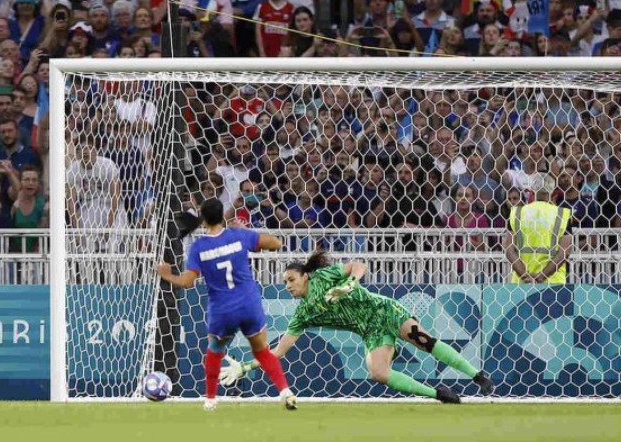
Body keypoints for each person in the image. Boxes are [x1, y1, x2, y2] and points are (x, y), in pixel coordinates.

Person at [219, 251, 495, 403]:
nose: (288, 286)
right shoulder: (303, 314)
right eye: (285, 283)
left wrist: (350, 284)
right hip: (370, 331)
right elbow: (278, 352)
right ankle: (440, 395)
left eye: (291, 279)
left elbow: (358, 265)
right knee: (378, 373)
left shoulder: (325, 276)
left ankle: (477, 375)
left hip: (384, 311)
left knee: (423, 340)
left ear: (306, 276)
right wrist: (244, 367)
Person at [156, 198, 297, 411]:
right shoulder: (239, 236)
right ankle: (285, 391)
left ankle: (211, 399)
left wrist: (167, 275)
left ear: (202, 217)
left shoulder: (199, 247)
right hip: (249, 304)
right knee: (261, 352)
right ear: (223, 214)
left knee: (214, 351)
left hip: (223, 310)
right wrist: (245, 230)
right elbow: (276, 243)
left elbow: (186, 282)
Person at [504, 172, 573, 284]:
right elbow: (564, 252)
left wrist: (525, 276)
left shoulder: (517, 213)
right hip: (554, 281)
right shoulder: (562, 215)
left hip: (521, 282)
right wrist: (542, 277)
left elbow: (509, 250)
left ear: (531, 189)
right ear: (552, 191)